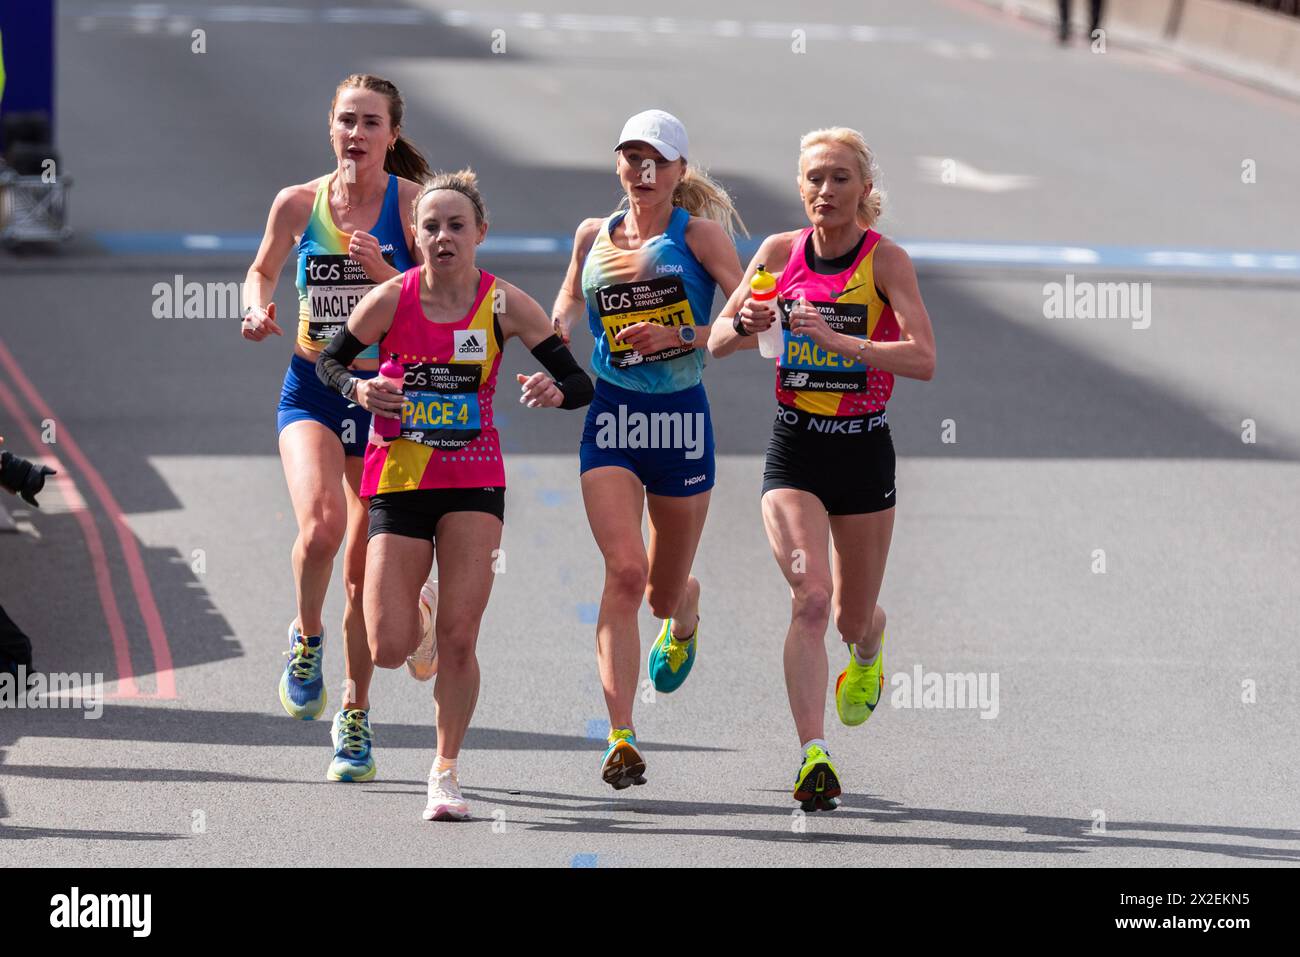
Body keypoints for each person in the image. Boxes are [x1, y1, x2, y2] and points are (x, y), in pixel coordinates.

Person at [318, 169, 593, 820]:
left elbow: (578, 383)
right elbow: (330, 362)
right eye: (432, 226)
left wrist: (554, 392)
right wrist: (359, 390)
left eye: (456, 226)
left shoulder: (503, 304)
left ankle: (444, 772)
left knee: (462, 638)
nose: (443, 236)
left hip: (473, 480)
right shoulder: (391, 298)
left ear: (480, 234)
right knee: (387, 645)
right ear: (414, 237)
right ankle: (418, 617)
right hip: (399, 477)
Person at [707, 127, 936, 811]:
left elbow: (924, 358)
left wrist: (842, 341)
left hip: (864, 449)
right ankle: (814, 754)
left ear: (865, 189)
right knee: (809, 598)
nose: (824, 191)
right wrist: (748, 319)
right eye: (813, 178)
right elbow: (718, 340)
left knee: (848, 616)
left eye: (840, 178)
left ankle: (869, 644)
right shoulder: (780, 252)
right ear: (799, 185)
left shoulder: (885, 261)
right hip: (796, 448)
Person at [241, 74, 430, 782]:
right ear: (331, 128)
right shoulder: (298, 203)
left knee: (361, 576)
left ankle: (354, 713)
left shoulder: (413, 207)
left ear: (391, 134)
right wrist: (257, 308)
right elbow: (260, 271)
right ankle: (306, 639)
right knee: (321, 528)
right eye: (346, 120)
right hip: (315, 386)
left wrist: (388, 272)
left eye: (371, 122)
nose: (357, 134)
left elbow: (443, 299)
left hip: (385, 399)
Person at [550, 110, 744, 790]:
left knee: (660, 593)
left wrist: (684, 336)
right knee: (625, 573)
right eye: (631, 156)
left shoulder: (701, 236)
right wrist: (558, 337)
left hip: (681, 423)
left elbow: (745, 322)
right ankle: (622, 736)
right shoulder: (591, 235)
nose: (642, 169)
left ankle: (686, 608)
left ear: (679, 172)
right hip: (613, 419)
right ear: (618, 165)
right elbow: (572, 293)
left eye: (657, 159)